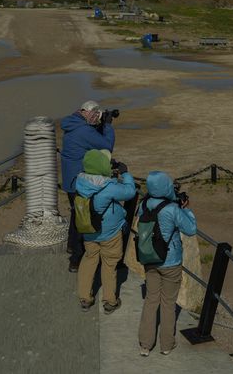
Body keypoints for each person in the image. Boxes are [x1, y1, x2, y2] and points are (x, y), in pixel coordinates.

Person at [137, 171, 197, 357]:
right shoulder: (172, 209)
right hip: (170, 262)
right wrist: (185, 208)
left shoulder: (143, 205)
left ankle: (145, 344)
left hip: (150, 259)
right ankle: (166, 344)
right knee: (168, 303)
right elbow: (191, 229)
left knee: (151, 300)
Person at [76, 149, 136, 314]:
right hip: (110, 233)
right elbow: (129, 192)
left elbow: (96, 179)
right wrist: (125, 174)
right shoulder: (108, 187)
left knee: (89, 259)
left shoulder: (80, 181)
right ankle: (110, 301)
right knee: (109, 264)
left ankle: (84, 298)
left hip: (88, 229)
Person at [60, 100, 115, 272]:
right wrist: (107, 125)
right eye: (95, 114)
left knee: (76, 212)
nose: (96, 118)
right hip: (79, 182)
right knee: (82, 218)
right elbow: (107, 145)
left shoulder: (72, 124)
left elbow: (89, 136)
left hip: (69, 179)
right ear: (88, 113)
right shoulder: (83, 130)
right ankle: (76, 260)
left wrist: (98, 123)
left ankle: (70, 246)